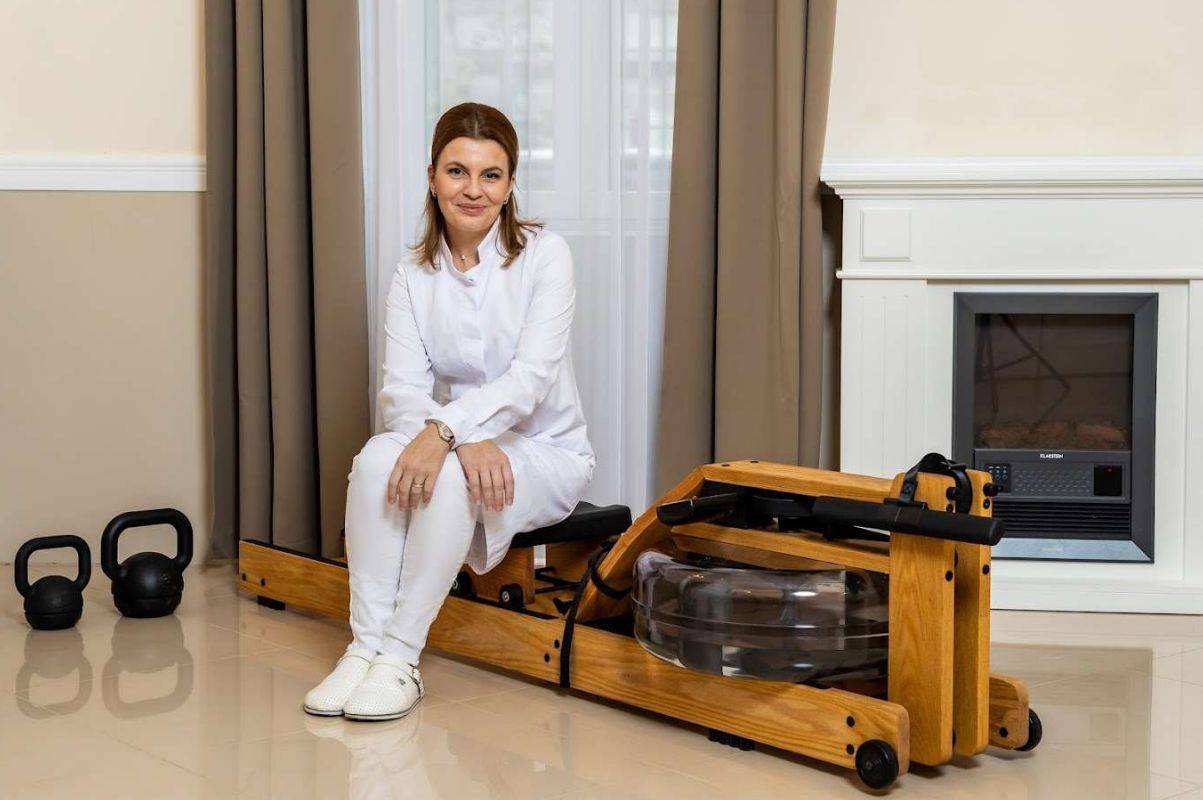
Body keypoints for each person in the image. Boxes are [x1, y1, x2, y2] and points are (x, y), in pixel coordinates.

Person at [303, 102, 595, 721]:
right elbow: (400, 390)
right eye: (457, 171)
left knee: (446, 473)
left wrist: (447, 432)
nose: (473, 190)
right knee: (377, 457)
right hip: (462, 442)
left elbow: (530, 380)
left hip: (544, 452)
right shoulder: (412, 273)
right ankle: (363, 649)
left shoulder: (546, 255)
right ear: (432, 177)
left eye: (491, 175)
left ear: (510, 185)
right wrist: (458, 437)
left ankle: (401, 658)